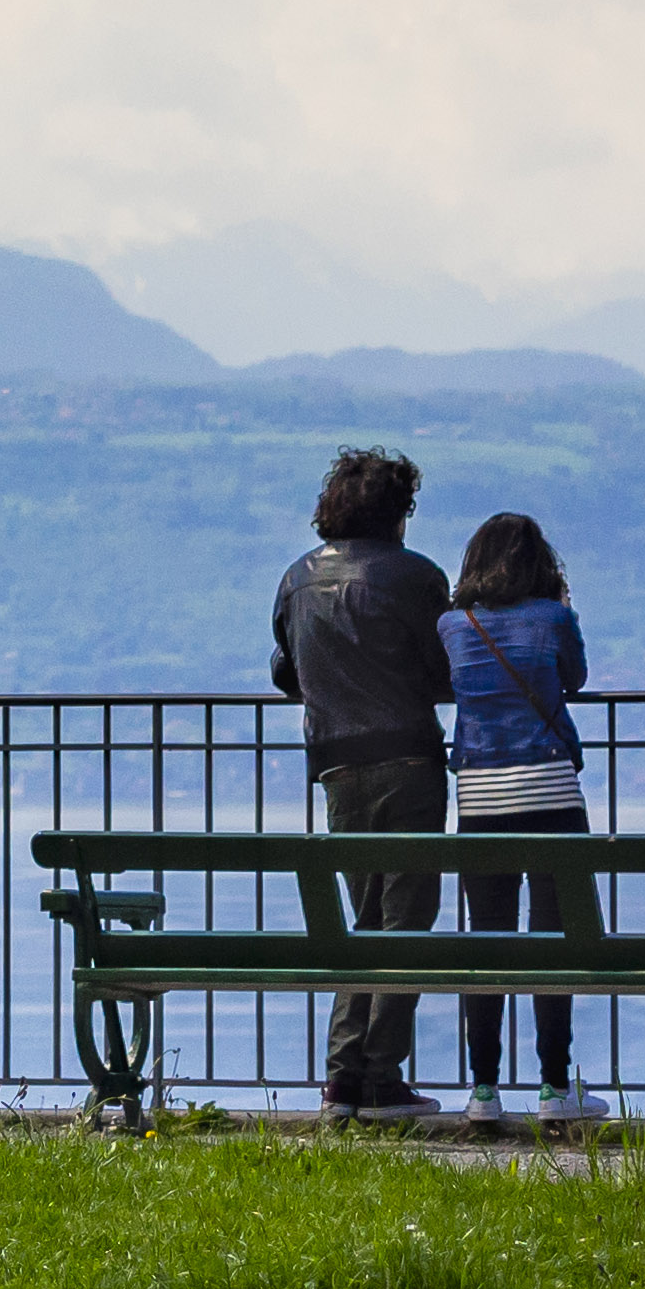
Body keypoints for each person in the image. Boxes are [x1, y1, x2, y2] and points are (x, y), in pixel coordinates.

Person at [268, 447, 456, 1121]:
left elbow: (285, 668)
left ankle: (342, 1075)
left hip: (336, 764)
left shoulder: (295, 580)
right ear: (394, 512)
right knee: (403, 919)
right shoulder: (414, 577)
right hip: (406, 759)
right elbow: (444, 669)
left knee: (364, 921)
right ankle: (378, 1075)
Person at [443, 513, 609, 1127]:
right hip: (550, 790)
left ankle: (483, 1092)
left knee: (487, 940)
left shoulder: (452, 626)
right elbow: (575, 677)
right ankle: (553, 1087)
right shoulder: (553, 618)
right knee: (551, 941)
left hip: (481, 796)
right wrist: (561, 605)